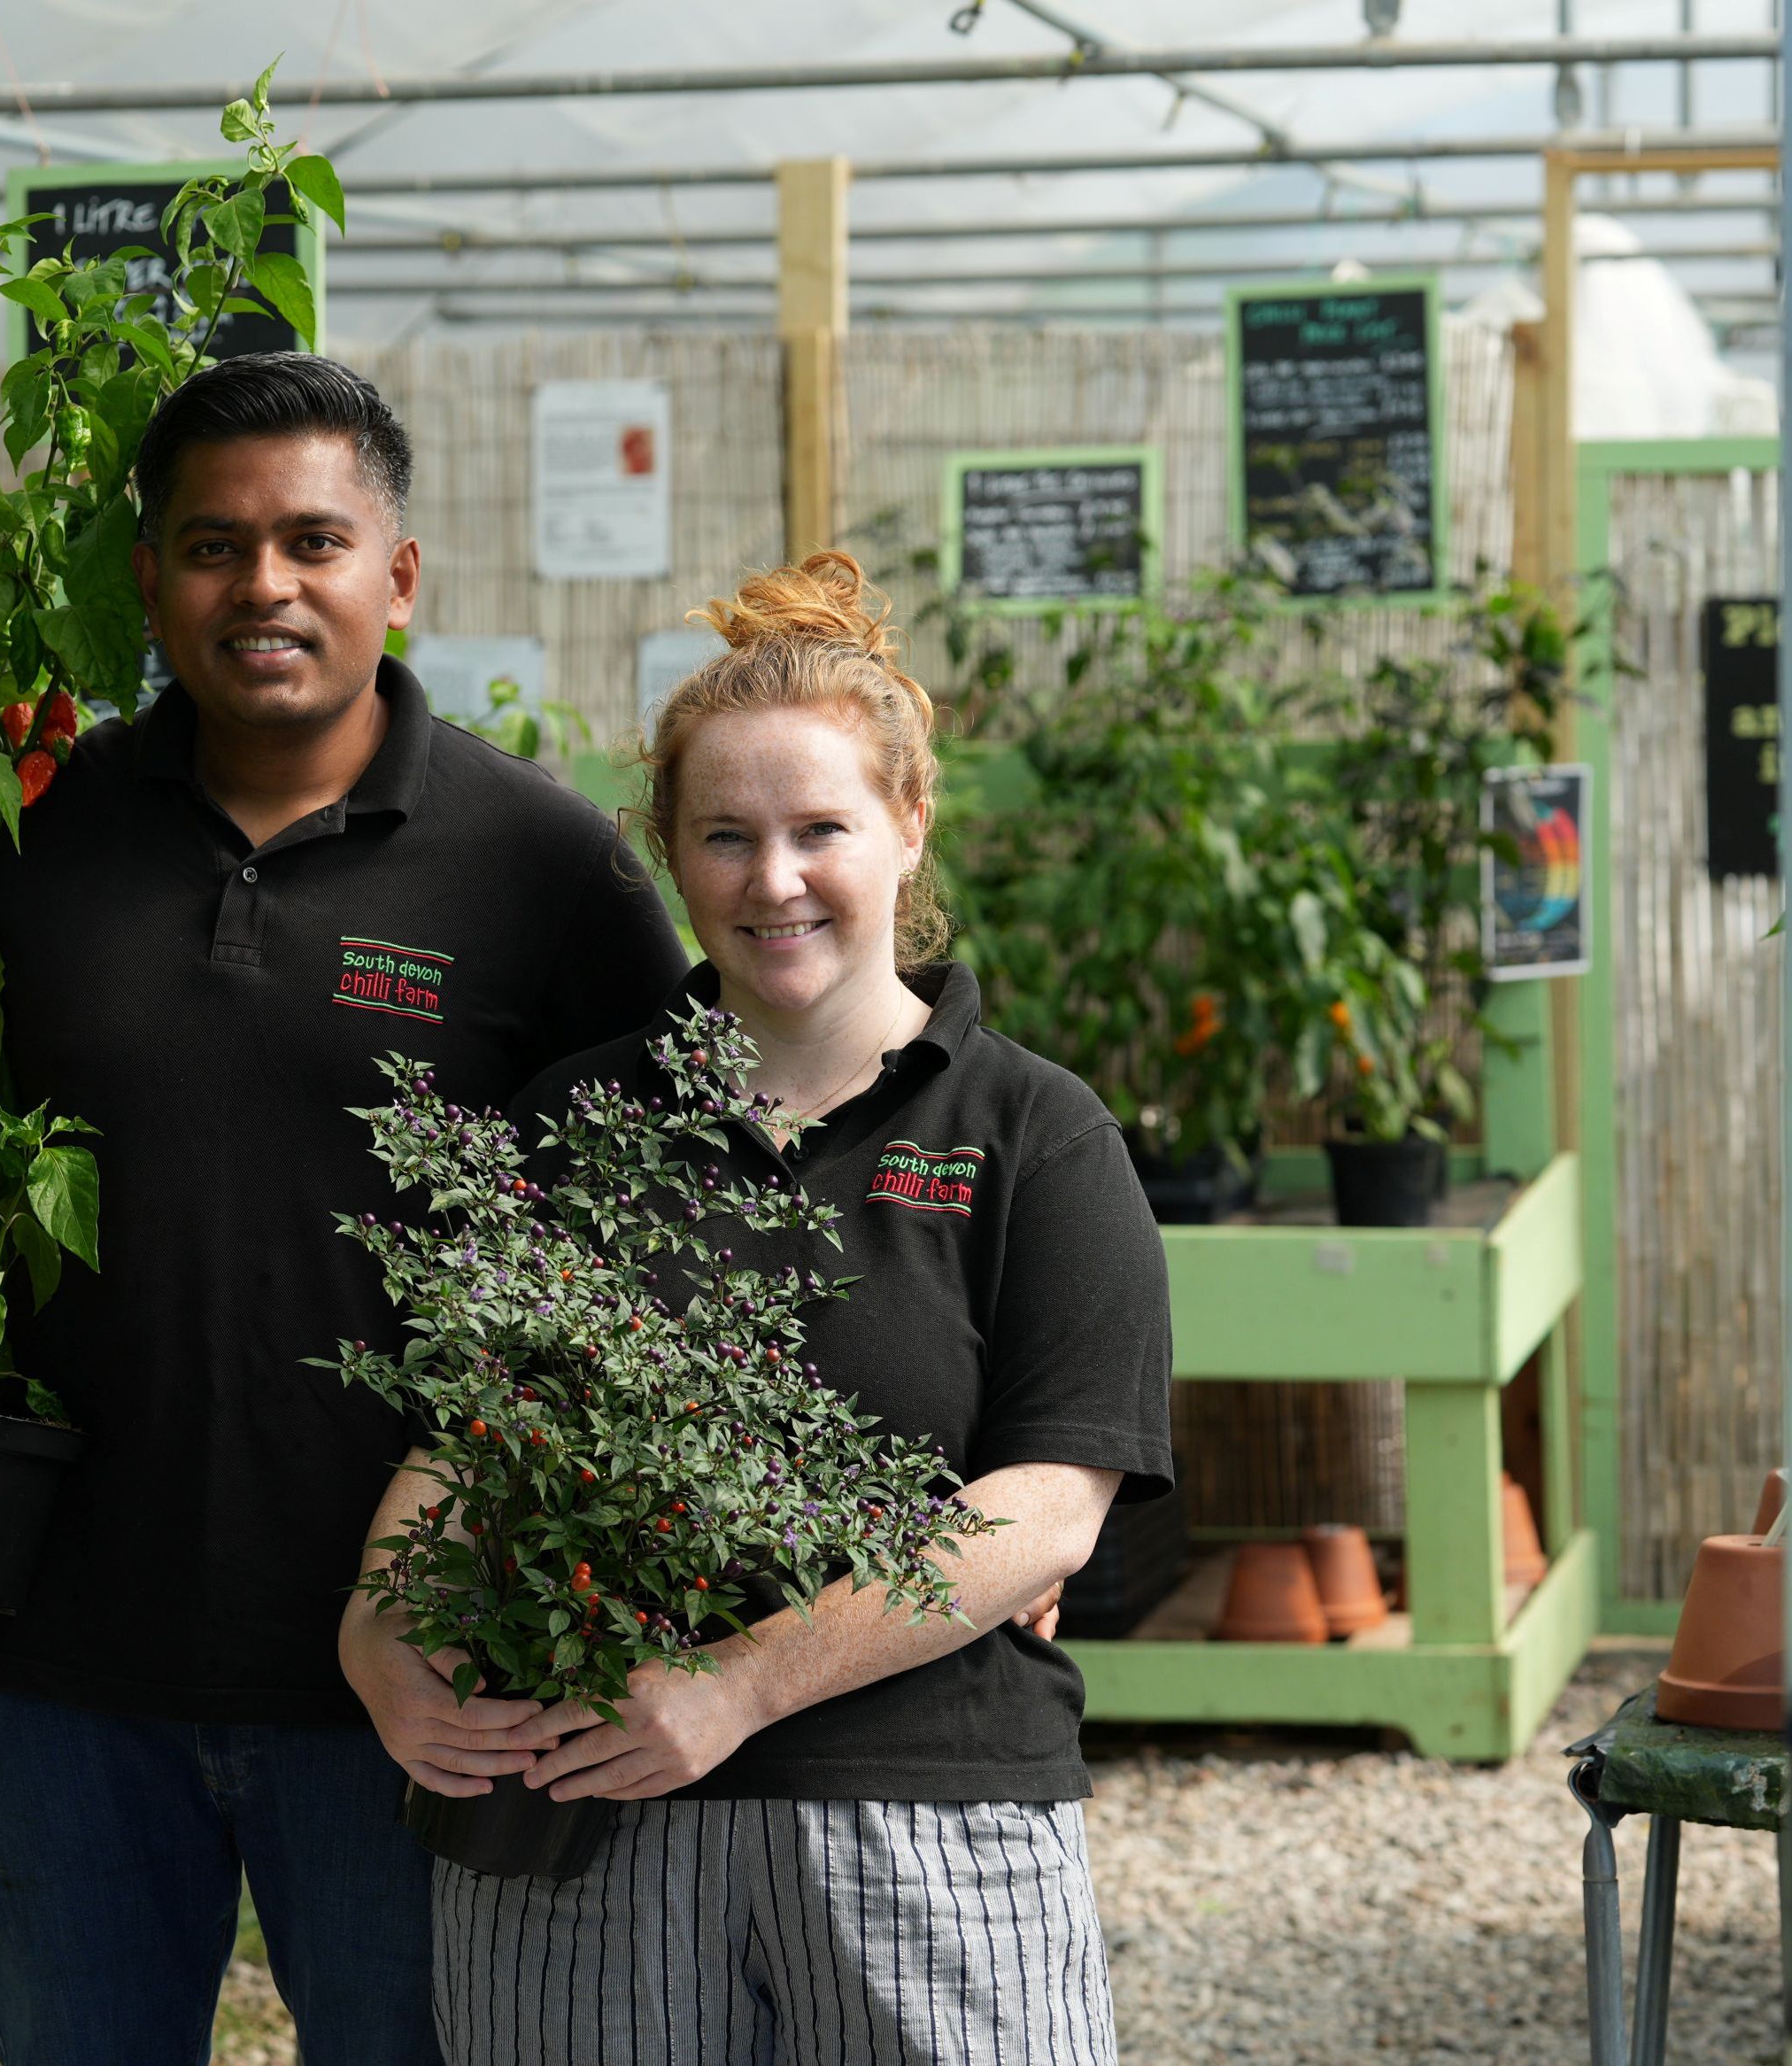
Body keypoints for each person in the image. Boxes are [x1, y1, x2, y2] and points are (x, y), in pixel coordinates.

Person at [0, 354, 689, 2066]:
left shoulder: (544, 869)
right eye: (212, 544)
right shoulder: (12, 835)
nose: (263, 585)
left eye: (312, 541)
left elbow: (686, 1208)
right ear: (149, 577)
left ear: (397, 575)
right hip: (63, 1656)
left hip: (422, 1672)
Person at [352, 552, 1174, 2064]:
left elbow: (1049, 1507)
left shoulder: (1033, 1135)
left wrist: (734, 1684)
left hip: (931, 1814)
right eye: (723, 836)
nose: (771, 878)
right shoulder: (570, 1125)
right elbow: (469, 1444)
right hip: (585, 1814)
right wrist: (380, 1623)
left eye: (818, 829)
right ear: (667, 852)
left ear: (909, 822)